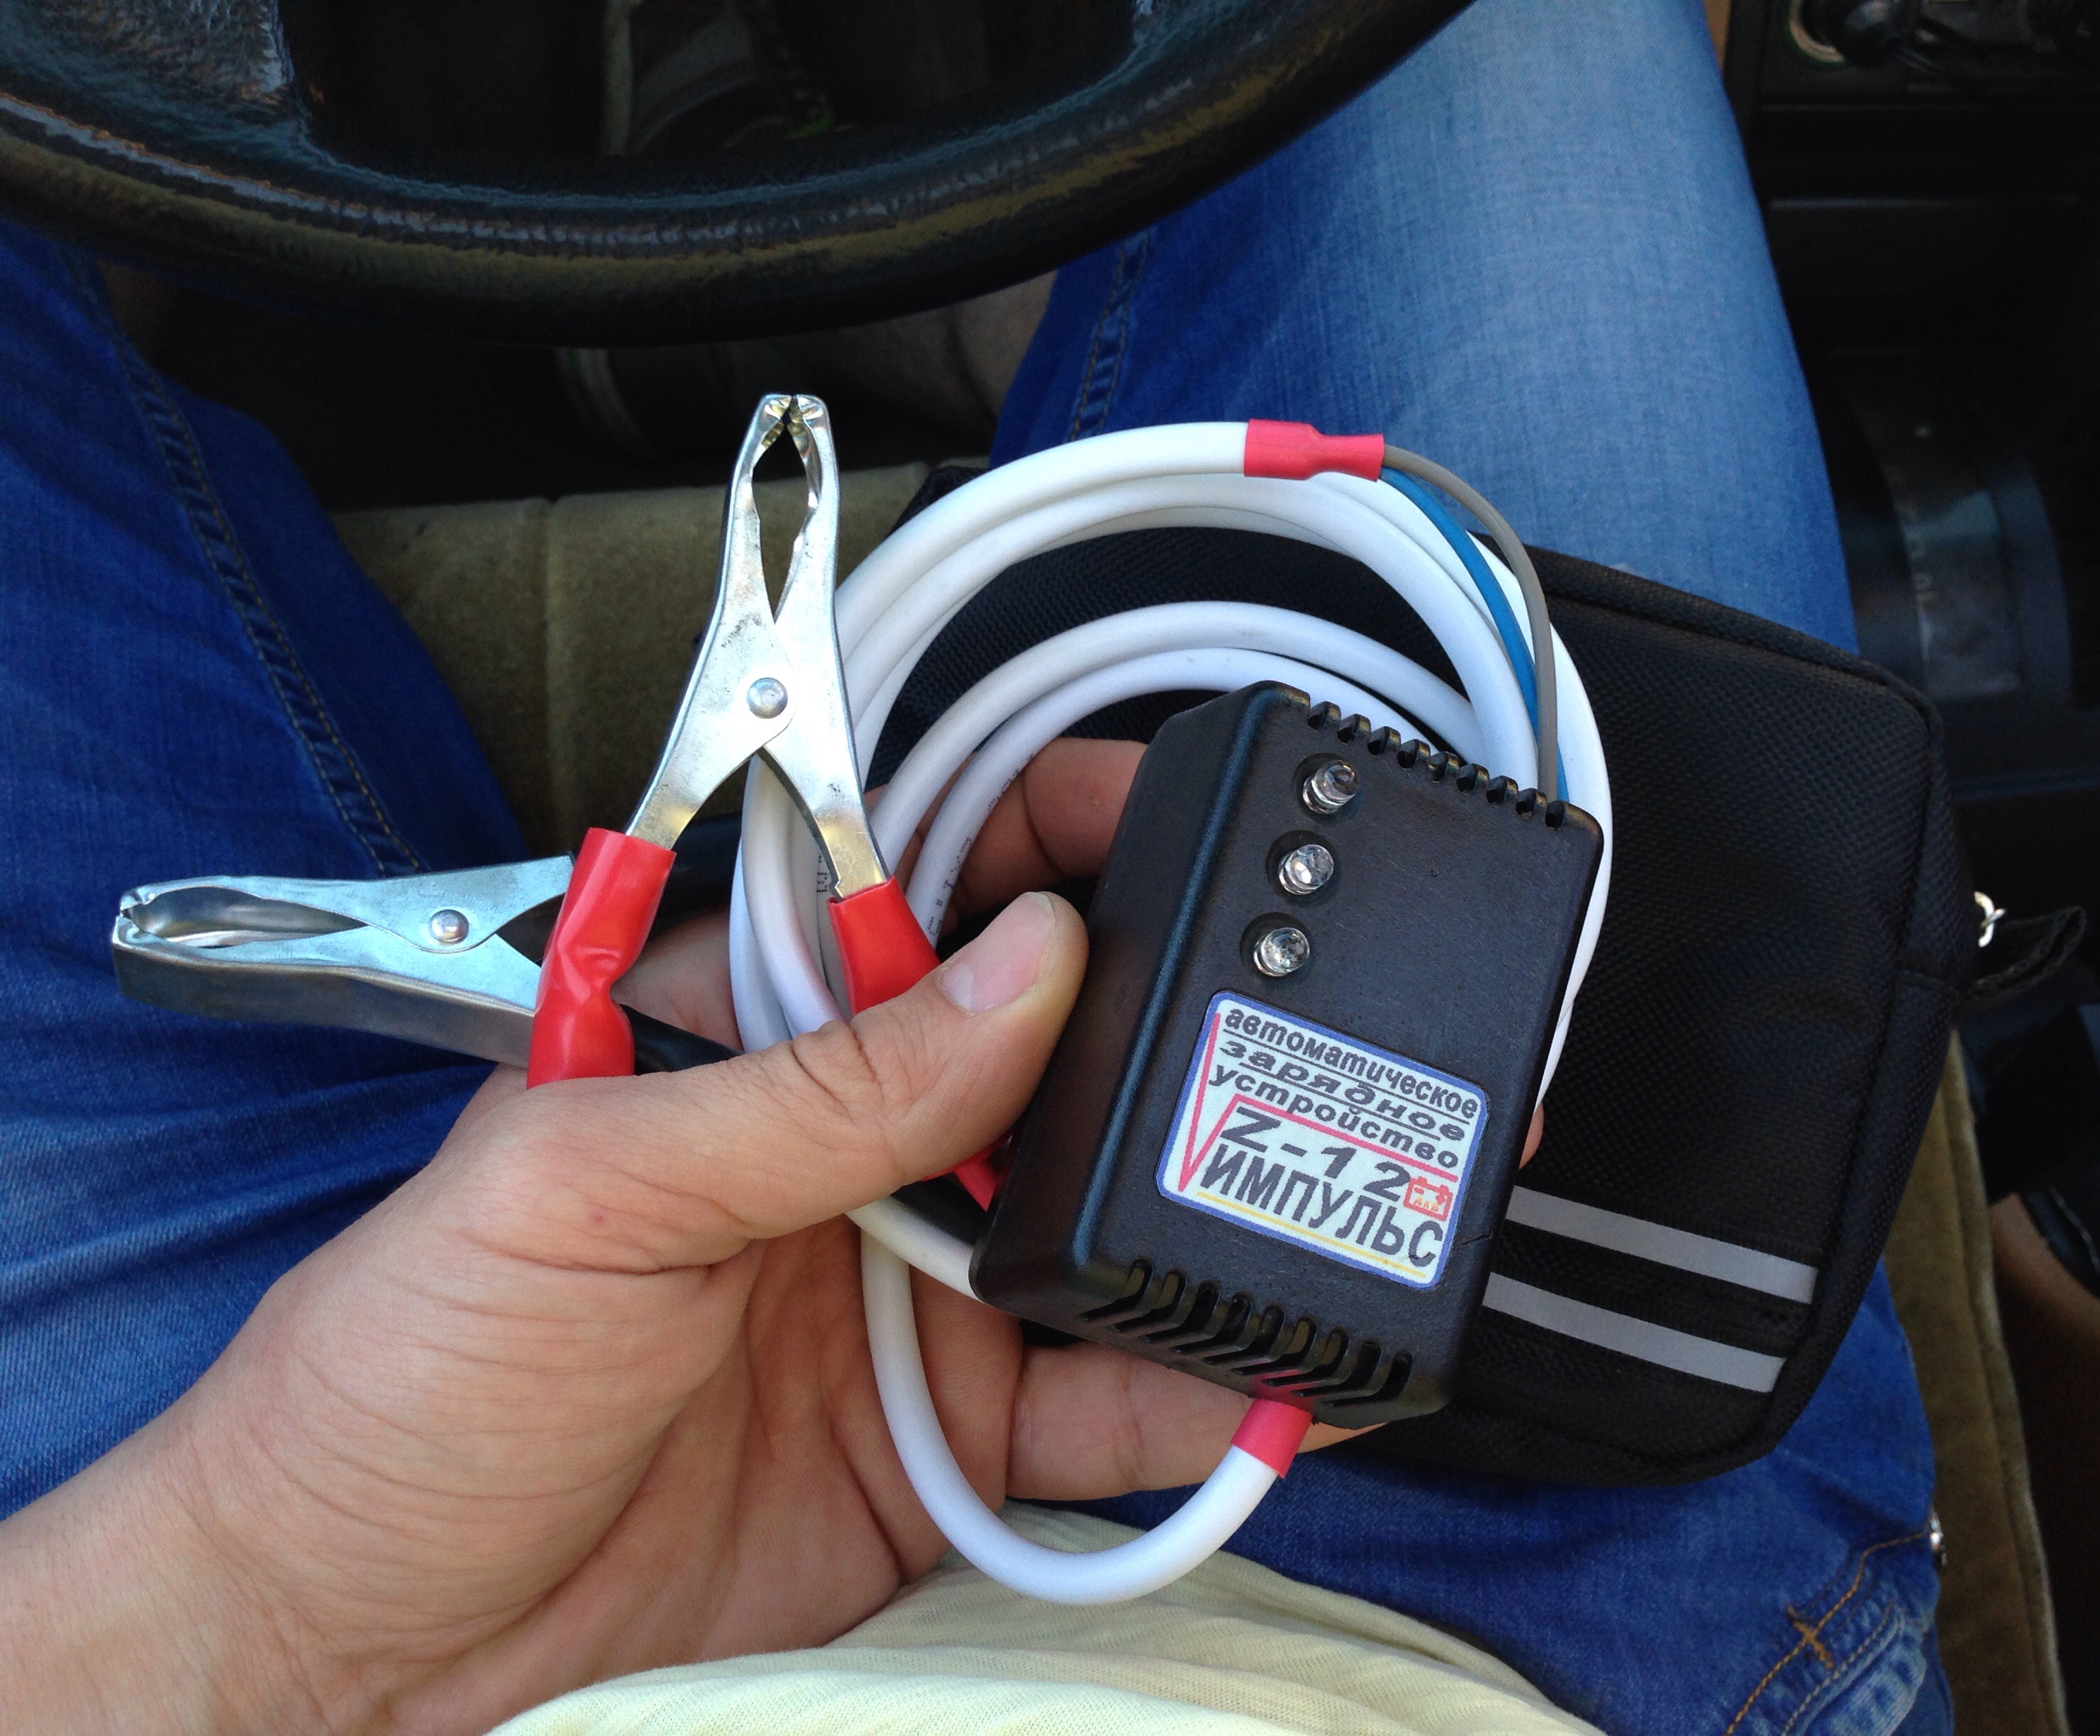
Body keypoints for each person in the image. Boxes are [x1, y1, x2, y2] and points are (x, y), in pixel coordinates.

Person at [0, 1, 1945, 1730]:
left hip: (288, 1590)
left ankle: (787, 258)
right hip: (1504, 1628)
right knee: (1500, 35)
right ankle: (853, 255)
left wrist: (241, 1606)